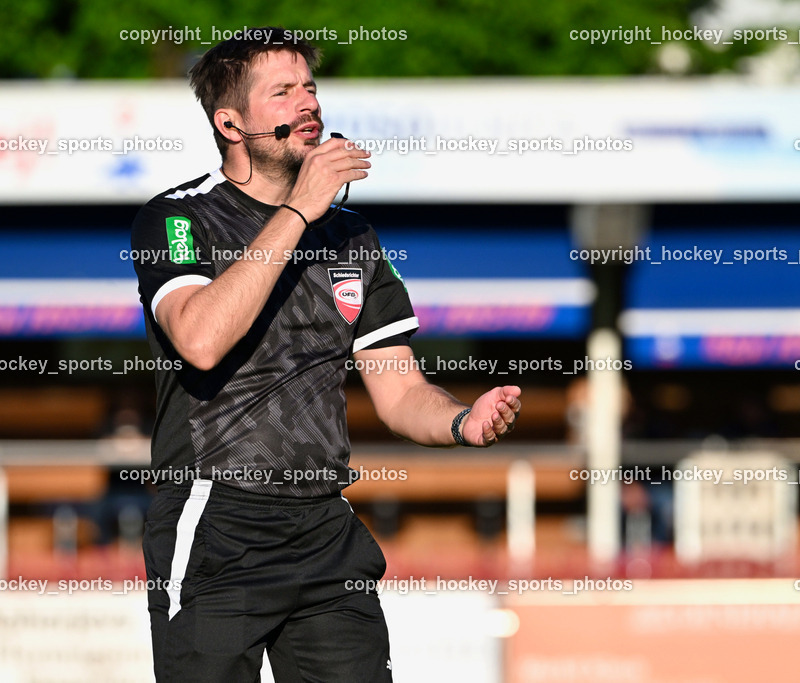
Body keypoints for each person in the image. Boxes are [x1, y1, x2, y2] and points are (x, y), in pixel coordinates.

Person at [130, 27, 522, 682]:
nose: (308, 102)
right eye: (282, 92)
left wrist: (461, 421)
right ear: (231, 123)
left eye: (309, 87)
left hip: (324, 530)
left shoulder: (352, 236)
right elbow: (200, 340)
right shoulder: (178, 218)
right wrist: (300, 210)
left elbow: (400, 391)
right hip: (215, 522)